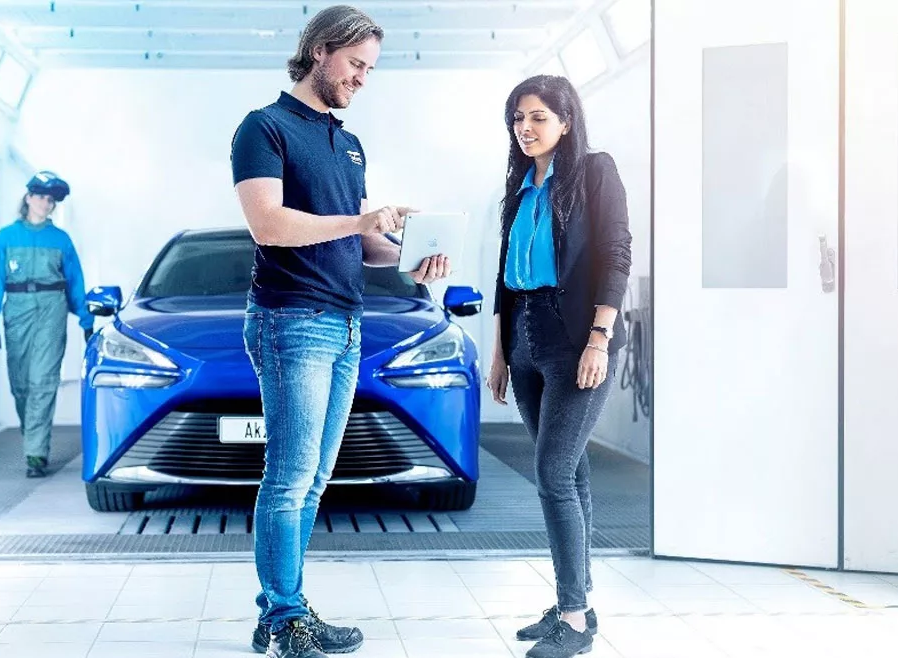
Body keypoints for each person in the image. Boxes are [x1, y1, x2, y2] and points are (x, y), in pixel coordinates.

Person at [230, 6, 451, 658]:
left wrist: (409, 257)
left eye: (370, 70)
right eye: (356, 65)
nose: (362, 79)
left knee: (314, 480)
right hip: (291, 320)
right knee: (290, 476)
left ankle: (282, 612)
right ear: (320, 49)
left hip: (347, 322)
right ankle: (287, 614)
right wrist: (358, 224)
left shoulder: (347, 143)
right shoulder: (263, 129)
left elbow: (361, 244)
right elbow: (269, 225)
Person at [485, 75, 632, 658]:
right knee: (569, 475)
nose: (526, 127)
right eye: (518, 117)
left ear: (566, 121)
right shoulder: (519, 185)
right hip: (524, 339)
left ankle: (574, 618)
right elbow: (504, 276)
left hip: (575, 340)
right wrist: (499, 353)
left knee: (551, 473)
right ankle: (577, 598)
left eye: (539, 117)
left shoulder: (595, 172)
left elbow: (615, 253)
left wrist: (600, 336)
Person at [0, 171, 94, 479]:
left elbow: (74, 282)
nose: (46, 203)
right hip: (16, 310)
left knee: (42, 381)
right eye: (41, 196)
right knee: (20, 384)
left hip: (51, 309)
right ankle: (32, 433)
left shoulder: (60, 240)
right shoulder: (5, 238)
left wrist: (86, 319)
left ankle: (35, 454)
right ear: (28, 198)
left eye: (51, 199)